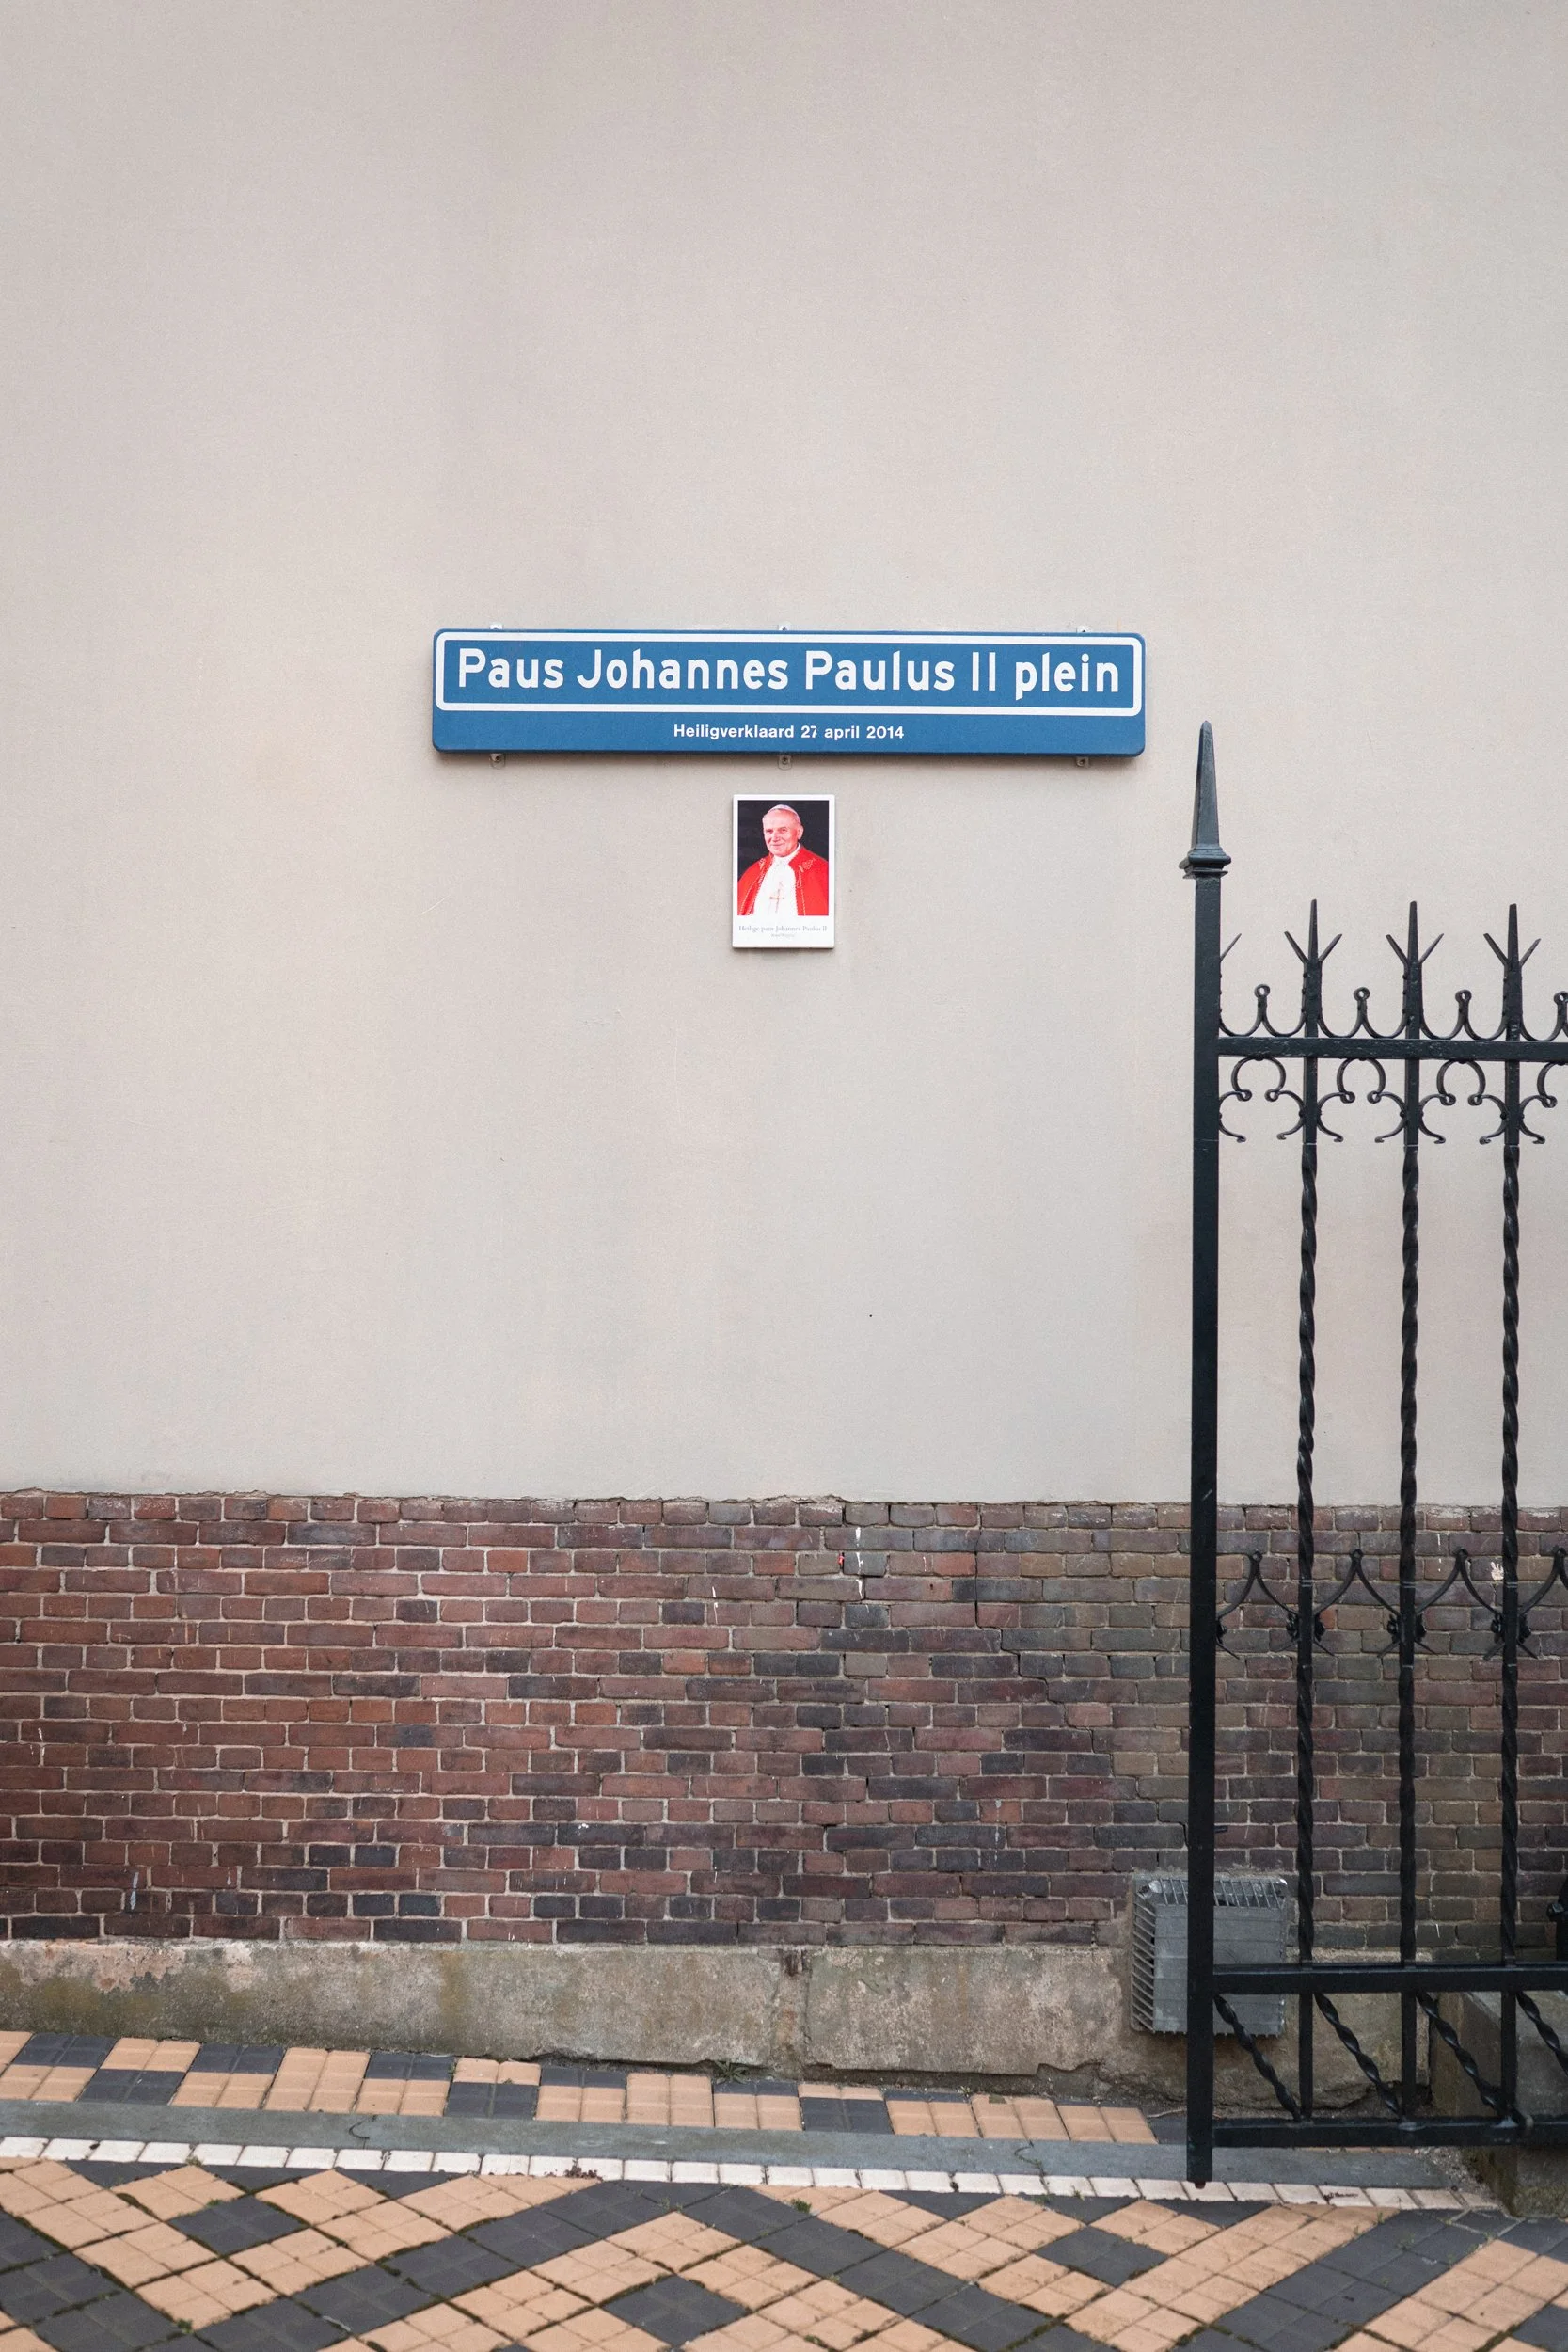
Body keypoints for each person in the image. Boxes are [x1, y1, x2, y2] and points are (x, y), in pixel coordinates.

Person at [736, 804, 830, 917]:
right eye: (769, 831)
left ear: (799, 832)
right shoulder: (753, 872)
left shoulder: (822, 870)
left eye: (783, 830)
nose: (775, 837)